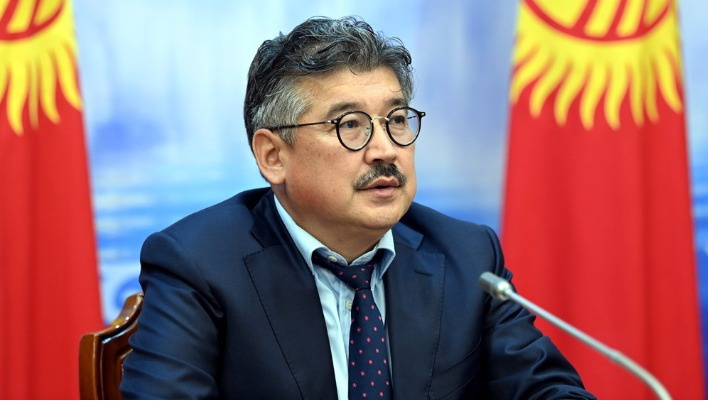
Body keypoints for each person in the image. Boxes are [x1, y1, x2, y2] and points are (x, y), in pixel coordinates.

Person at [120, 16, 595, 400]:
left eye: (396, 119)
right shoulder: (199, 263)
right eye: (350, 124)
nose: (385, 149)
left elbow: (546, 390)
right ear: (273, 156)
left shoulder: (467, 256)